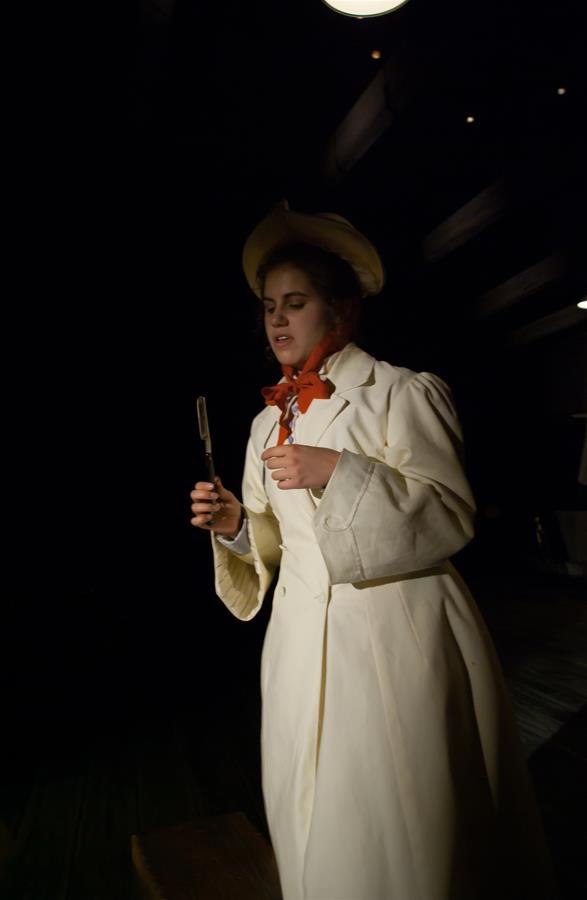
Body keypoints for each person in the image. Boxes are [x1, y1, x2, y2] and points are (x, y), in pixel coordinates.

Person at [189, 201, 556, 900]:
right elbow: (277, 544)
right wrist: (236, 523)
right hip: (300, 645)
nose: (276, 321)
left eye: (295, 303)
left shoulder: (400, 392)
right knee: (315, 814)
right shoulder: (265, 420)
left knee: (406, 819)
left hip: (396, 638)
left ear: (342, 311)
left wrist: (339, 471)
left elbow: (449, 514)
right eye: (269, 306)